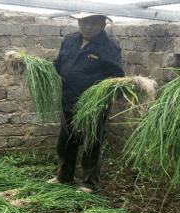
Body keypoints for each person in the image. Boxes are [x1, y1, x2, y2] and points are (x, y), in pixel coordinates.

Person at [50, 13, 125, 193]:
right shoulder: (70, 41)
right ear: (78, 23)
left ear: (102, 25)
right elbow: (58, 65)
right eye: (84, 23)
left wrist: (109, 90)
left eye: (93, 23)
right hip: (69, 98)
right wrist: (35, 66)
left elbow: (117, 76)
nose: (88, 27)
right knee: (66, 140)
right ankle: (64, 176)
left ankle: (89, 183)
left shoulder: (109, 47)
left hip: (93, 104)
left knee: (92, 142)